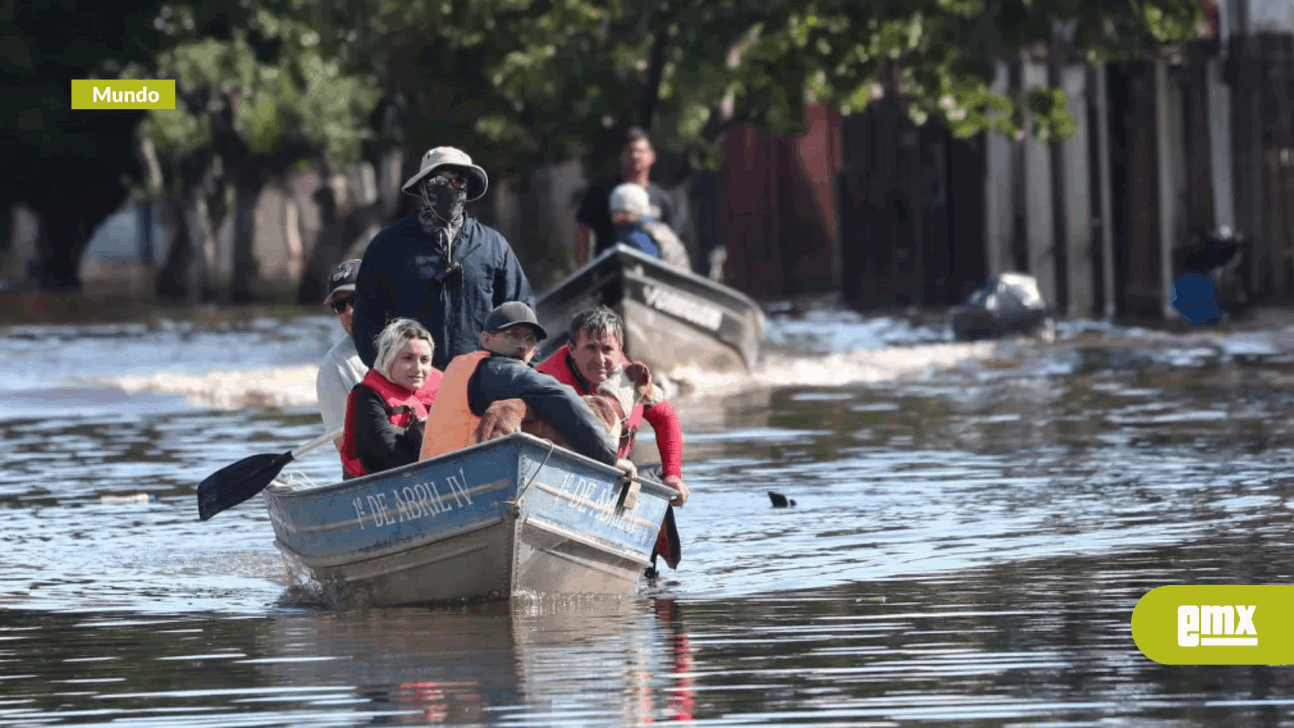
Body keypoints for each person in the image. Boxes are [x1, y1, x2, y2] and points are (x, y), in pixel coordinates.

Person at [351, 146, 535, 372]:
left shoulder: (493, 245)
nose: (451, 188)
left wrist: (514, 372)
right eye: (441, 181)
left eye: (458, 181)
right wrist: (390, 373)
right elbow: (366, 321)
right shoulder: (388, 246)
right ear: (423, 186)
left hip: (481, 382)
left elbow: (521, 313)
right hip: (413, 384)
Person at [535, 305, 689, 575]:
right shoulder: (545, 381)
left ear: (619, 350)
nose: (601, 359)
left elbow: (667, 419)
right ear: (571, 349)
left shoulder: (634, 377)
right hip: (563, 479)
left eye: (608, 349)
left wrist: (673, 474)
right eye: (590, 348)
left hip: (620, 475)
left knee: (652, 481)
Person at [419, 302, 637, 480]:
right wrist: (609, 457)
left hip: (429, 481)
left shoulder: (458, 366)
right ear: (487, 339)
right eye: (513, 334)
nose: (523, 344)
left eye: (530, 338)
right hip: (465, 482)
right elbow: (558, 396)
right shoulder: (499, 369)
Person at [339, 318, 444, 478]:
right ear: (388, 358)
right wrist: (421, 436)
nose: (418, 369)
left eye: (424, 360)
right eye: (408, 358)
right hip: (375, 484)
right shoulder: (367, 395)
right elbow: (387, 456)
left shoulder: (437, 389)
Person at [574, 127, 681, 266]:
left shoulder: (662, 198)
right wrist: (584, 270)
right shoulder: (601, 190)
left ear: (651, 156)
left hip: (651, 275)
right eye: (630, 151)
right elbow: (583, 230)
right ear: (622, 156)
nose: (635, 156)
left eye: (640, 151)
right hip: (610, 274)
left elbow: (671, 240)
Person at [315, 259, 368, 455]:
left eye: (356, 299)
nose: (349, 311)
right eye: (340, 305)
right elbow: (346, 449)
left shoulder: (416, 344)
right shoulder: (334, 367)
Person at [609, 183, 692, 271]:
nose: (615, 217)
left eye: (618, 211)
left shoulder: (633, 232)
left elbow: (651, 261)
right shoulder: (659, 227)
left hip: (666, 282)